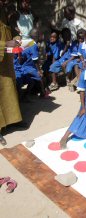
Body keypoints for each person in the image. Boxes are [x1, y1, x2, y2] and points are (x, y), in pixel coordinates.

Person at [0, 0, 22, 145]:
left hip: (5, 62)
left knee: (8, 91)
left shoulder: (2, 10)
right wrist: (5, 44)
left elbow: (9, 30)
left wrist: (16, 37)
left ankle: (12, 120)